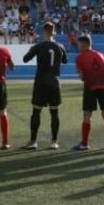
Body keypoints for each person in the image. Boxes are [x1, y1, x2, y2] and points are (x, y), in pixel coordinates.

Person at [21, 22, 67, 150]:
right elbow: (65, 61)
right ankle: (54, 142)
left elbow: (25, 59)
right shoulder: (60, 47)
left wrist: (32, 50)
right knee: (54, 112)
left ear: (43, 32)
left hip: (41, 82)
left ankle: (33, 141)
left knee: (36, 111)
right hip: (54, 82)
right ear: (54, 32)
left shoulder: (38, 46)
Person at [73, 35, 104, 151]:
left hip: (90, 87)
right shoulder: (101, 54)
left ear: (84, 44)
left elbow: (81, 77)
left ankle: (84, 143)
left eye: (79, 44)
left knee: (87, 115)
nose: (78, 46)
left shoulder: (80, 58)